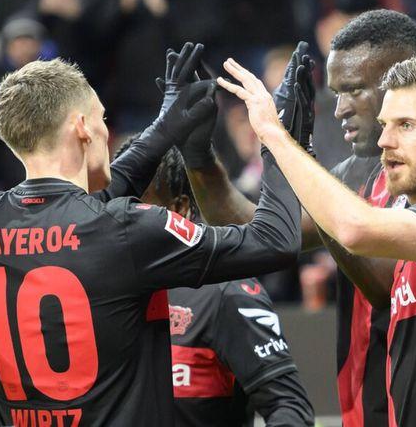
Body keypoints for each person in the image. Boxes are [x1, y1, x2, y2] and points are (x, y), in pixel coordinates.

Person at [178, 10, 416, 426]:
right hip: (373, 402)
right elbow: (260, 230)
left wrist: (283, 145)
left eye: (354, 90)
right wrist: (199, 157)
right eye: (336, 93)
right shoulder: (352, 176)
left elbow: (380, 270)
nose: (339, 109)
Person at [0, 42, 301, 426]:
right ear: (82, 127)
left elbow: (80, 212)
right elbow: (275, 241)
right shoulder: (123, 229)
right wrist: (279, 143)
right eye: (101, 118)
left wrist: (165, 127)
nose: (107, 130)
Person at [114, 135, 314, 426]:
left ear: (179, 209)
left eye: (137, 210)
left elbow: (289, 407)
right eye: (118, 209)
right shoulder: (103, 287)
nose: (124, 221)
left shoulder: (227, 292)